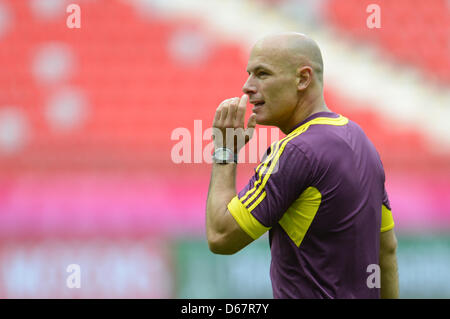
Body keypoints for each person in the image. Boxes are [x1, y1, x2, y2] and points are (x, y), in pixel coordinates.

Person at [205, 32, 399, 299]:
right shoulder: (362, 142)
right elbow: (386, 250)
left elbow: (221, 235)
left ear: (303, 79)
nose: (247, 87)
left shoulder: (295, 151)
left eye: (262, 74)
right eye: (249, 73)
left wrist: (225, 151)